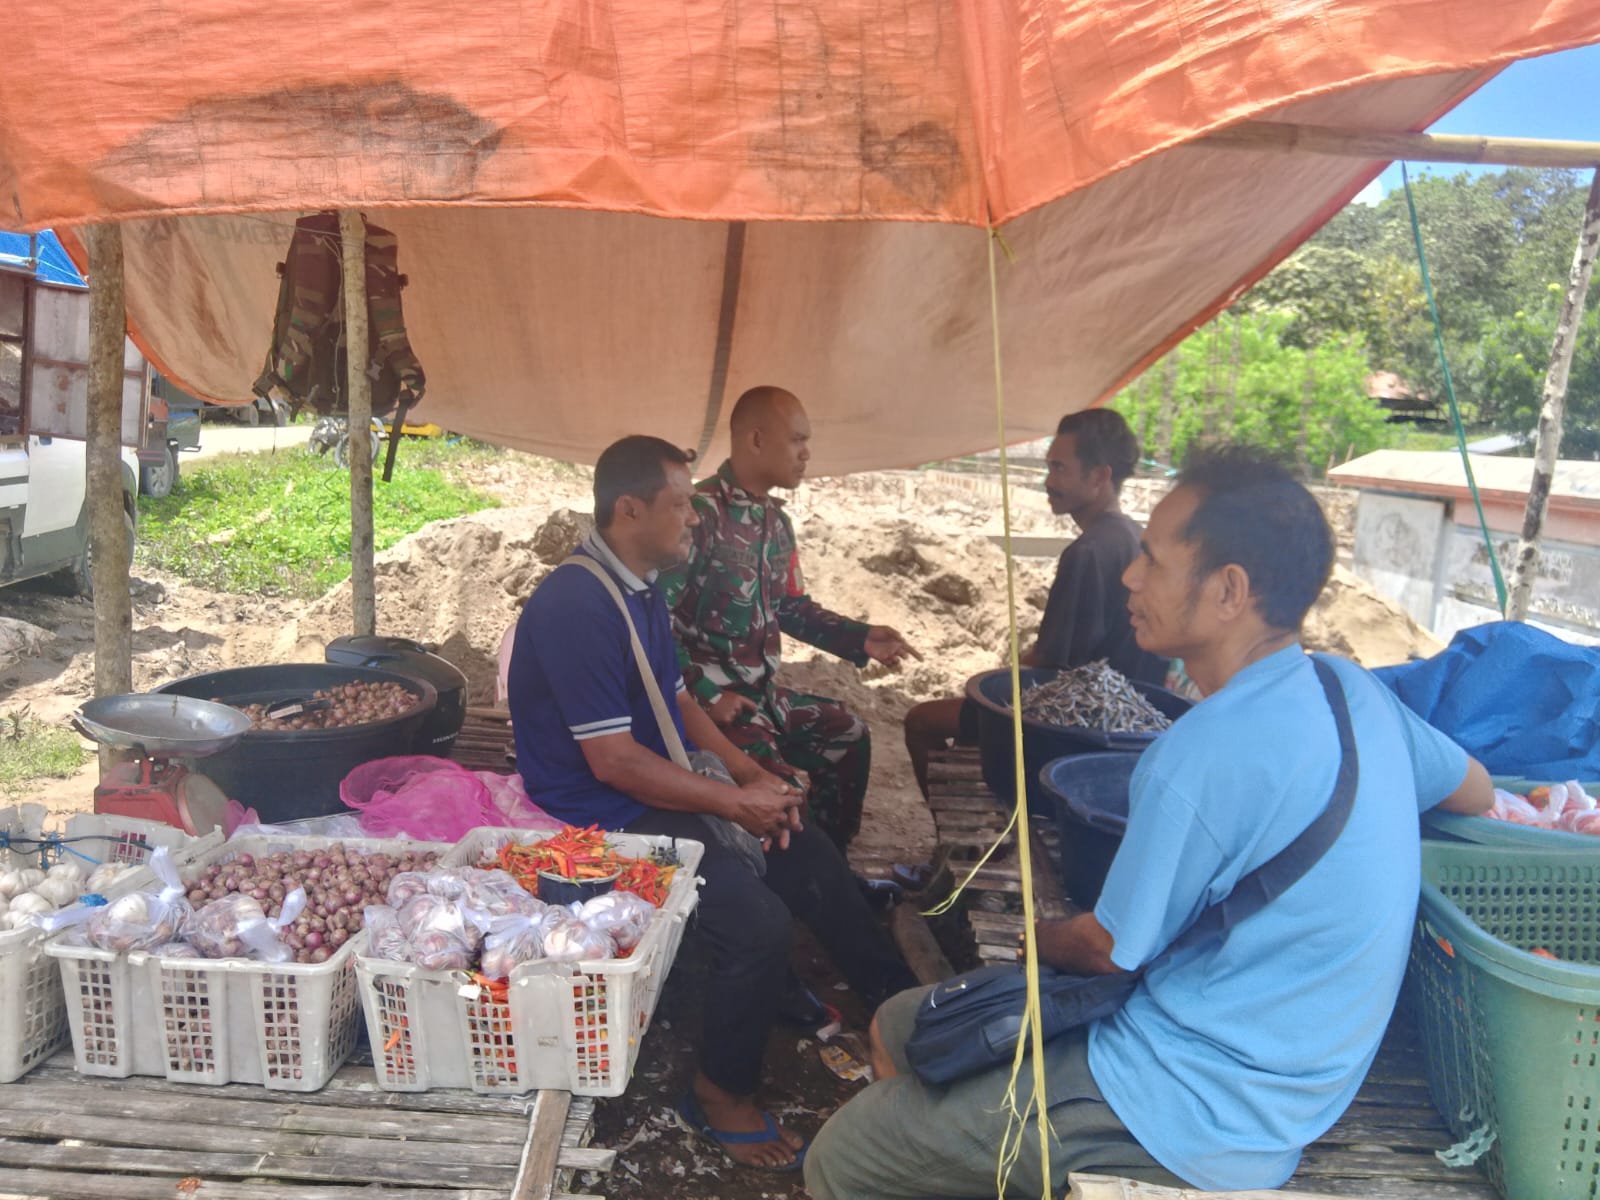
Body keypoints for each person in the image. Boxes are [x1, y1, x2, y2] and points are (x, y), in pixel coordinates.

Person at [805, 446, 1494, 1199]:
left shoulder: (1200, 751)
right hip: (1285, 1075)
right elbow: (1475, 787)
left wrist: (1037, 938)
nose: (1131, 577)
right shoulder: (1348, 689)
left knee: (841, 1158)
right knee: (901, 1024)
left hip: (1192, 1104)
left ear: (1228, 591)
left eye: (1153, 561)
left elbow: (1108, 951)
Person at [507, 435, 915, 1172]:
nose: (695, 517)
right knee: (755, 923)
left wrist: (753, 777)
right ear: (630, 510)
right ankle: (718, 1092)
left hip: (649, 780)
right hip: (595, 810)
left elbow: (678, 701)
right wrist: (730, 805)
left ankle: (906, 1011)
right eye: (680, 504)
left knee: (804, 844)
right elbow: (613, 761)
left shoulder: (638, 585)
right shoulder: (576, 603)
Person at [662, 385, 918, 848]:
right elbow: (654, 622)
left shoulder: (776, 524)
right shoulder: (699, 515)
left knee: (848, 736)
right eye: (797, 440)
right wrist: (705, 694)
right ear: (757, 440)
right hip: (711, 708)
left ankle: (832, 858)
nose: (806, 453)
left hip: (762, 697)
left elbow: (790, 608)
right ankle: (802, 871)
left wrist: (859, 638)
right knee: (780, 797)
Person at [903, 408, 1168, 798]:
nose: (1048, 481)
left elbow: (1051, 664)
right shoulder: (1131, 535)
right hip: (1125, 712)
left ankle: (969, 821)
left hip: (1080, 724)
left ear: (1099, 476)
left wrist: (989, 686)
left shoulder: (1088, 552)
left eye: (1059, 469)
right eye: (1049, 468)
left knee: (921, 720)